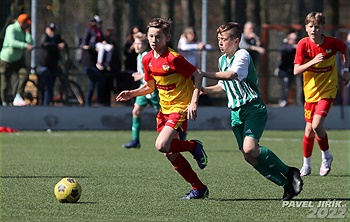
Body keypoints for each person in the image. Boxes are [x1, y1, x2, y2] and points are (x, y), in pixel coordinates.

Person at [201, 22, 303, 200]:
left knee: (250, 148)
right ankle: (287, 185)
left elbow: (232, 75)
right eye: (218, 39)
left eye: (224, 39)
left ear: (236, 40)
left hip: (253, 108)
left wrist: (202, 73)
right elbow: (224, 85)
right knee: (249, 156)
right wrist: (205, 90)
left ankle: (290, 171)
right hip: (235, 113)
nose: (220, 43)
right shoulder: (222, 60)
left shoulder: (242, 55)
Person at [116, 18, 209, 200]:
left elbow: (198, 75)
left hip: (180, 106)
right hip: (164, 109)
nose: (153, 40)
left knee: (161, 145)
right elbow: (150, 87)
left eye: (158, 37)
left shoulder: (174, 59)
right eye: (151, 36)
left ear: (167, 38)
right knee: (170, 153)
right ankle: (199, 187)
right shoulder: (147, 59)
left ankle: (193, 146)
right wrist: (132, 93)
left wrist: (194, 102)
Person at [293, 12, 350, 177]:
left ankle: (326, 156)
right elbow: (296, 70)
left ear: (323, 27)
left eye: (317, 26)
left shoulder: (331, 43)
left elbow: (346, 49)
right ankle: (306, 165)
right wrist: (312, 61)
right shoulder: (303, 45)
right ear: (305, 28)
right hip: (310, 92)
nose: (313, 29)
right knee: (309, 130)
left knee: (317, 125)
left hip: (328, 90)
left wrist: (346, 70)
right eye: (310, 26)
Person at [123, 32, 160, 149]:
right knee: (136, 111)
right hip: (143, 90)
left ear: (145, 45)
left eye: (140, 44)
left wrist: (140, 76)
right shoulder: (139, 56)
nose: (137, 46)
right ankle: (135, 140)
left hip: (153, 90)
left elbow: (154, 73)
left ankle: (174, 137)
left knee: (163, 116)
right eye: (136, 43)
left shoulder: (147, 56)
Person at [0, 13, 33, 106]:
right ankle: (4, 103)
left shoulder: (24, 31)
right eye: (26, 23)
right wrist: (25, 46)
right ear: (21, 22)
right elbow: (11, 42)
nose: (28, 25)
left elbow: (31, 42)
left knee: (24, 74)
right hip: (6, 60)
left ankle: (18, 96)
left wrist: (27, 33)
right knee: (5, 84)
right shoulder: (11, 28)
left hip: (18, 60)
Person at [80, 15, 108, 106]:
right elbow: (84, 44)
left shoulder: (100, 32)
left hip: (94, 63)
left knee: (97, 82)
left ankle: (92, 102)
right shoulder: (89, 31)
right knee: (95, 81)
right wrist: (93, 47)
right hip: (88, 63)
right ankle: (89, 103)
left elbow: (103, 42)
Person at [37, 22, 66, 106]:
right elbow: (45, 44)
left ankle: (47, 103)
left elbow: (64, 43)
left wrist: (63, 45)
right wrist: (56, 46)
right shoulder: (45, 37)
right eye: (50, 30)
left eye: (53, 30)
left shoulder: (57, 37)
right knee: (44, 85)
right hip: (44, 65)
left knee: (50, 86)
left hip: (53, 65)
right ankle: (43, 103)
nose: (52, 32)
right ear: (47, 30)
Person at [276, 31, 298, 107]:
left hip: (292, 71)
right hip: (283, 71)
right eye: (292, 39)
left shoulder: (296, 48)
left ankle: (293, 101)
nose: (294, 41)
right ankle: (283, 101)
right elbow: (285, 49)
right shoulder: (284, 45)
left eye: (295, 39)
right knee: (285, 86)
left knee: (291, 86)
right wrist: (293, 47)